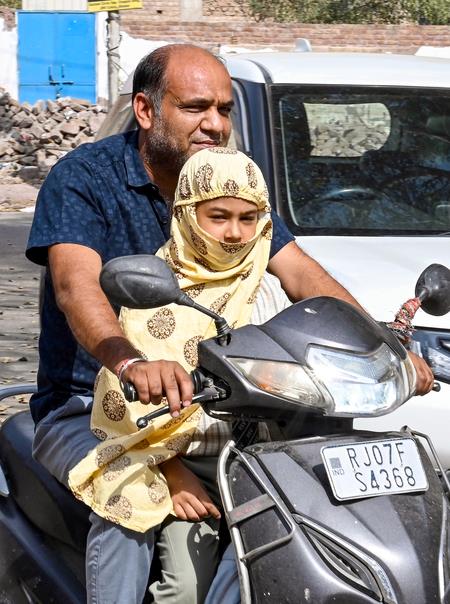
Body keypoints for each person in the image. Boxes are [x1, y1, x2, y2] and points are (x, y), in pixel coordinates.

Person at [25, 43, 434, 604]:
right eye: (195, 107)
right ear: (145, 111)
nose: (215, 125)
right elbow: (78, 288)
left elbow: (303, 275)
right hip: (90, 408)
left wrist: (383, 347)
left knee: (299, 490)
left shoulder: (230, 182)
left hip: (218, 409)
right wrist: (130, 362)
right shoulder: (85, 179)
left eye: (223, 109)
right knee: (130, 506)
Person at [68, 146, 276, 598]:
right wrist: (175, 471)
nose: (235, 232)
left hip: (262, 459)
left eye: (248, 218)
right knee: (183, 582)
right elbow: (127, 405)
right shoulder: (155, 289)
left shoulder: (270, 285)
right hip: (173, 458)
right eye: (218, 216)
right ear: (186, 213)